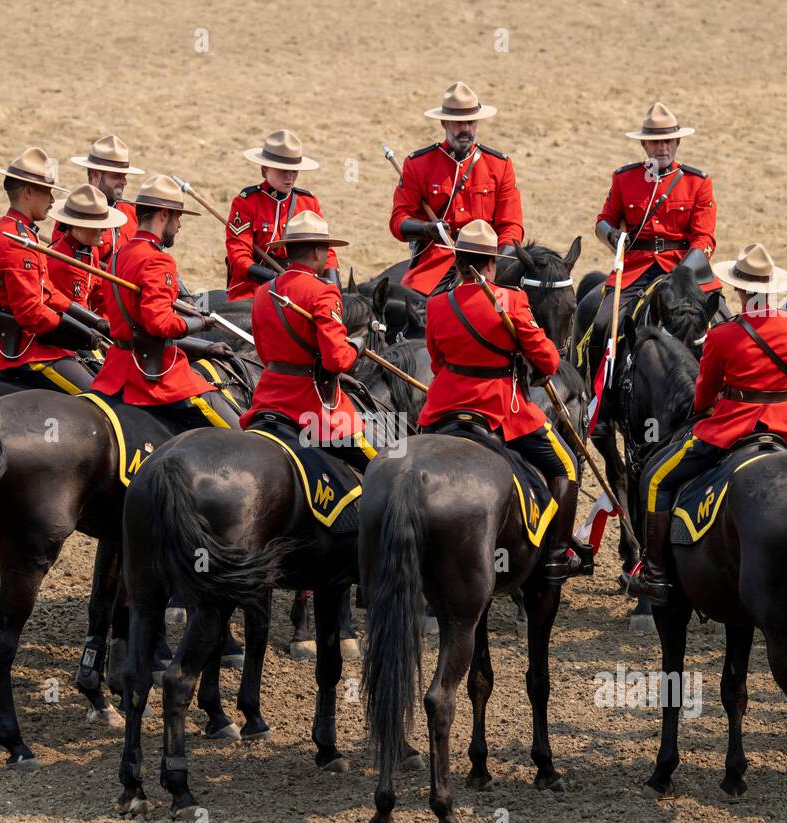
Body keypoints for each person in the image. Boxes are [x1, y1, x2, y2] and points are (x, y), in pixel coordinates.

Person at [624, 243, 787, 603]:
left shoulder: (722, 335)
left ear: (740, 290)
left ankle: (655, 572)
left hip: (731, 429)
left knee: (657, 478)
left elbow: (703, 398)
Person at [417, 220, 587, 581]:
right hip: (501, 410)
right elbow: (549, 360)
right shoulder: (511, 301)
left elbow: (437, 362)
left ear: (459, 261)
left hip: (442, 408)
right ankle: (556, 554)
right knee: (567, 465)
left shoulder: (437, 304)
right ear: (492, 264)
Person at [91, 174, 239, 429]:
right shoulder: (158, 260)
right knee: (238, 431)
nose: (179, 225)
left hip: (117, 367)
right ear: (163, 214)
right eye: (177, 216)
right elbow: (159, 323)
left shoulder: (118, 256)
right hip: (154, 374)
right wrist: (198, 323)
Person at [241, 210, 375, 471]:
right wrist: (356, 347)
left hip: (268, 398)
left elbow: (264, 353)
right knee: (379, 467)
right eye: (325, 249)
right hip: (312, 406)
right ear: (316, 252)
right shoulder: (323, 292)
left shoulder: (262, 292)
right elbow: (336, 361)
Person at [590, 102, 718, 373]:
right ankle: (601, 399)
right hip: (637, 270)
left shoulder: (698, 182)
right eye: (655, 142)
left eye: (668, 141)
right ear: (644, 146)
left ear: (678, 141)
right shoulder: (624, 179)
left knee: (723, 321)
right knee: (601, 324)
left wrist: (685, 270)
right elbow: (603, 221)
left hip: (684, 268)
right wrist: (613, 236)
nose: (662, 148)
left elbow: (704, 237)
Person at [0, 147, 106, 394]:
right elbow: (31, 312)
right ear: (29, 192)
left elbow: (48, 292)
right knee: (96, 397)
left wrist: (92, 322)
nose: (52, 201)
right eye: (48, 193)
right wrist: (77, 334)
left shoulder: (17, 230)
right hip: (24, 348)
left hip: (27, 338)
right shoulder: (15, 241)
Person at [390, 81, 522, 296]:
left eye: (470, 122)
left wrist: (501, 261)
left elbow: (511, 225)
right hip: (437, 264)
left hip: (487, 262)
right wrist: (426, 229)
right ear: (444, 123)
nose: (466, 129)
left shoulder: (500, 165)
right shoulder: (418, 164)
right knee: (414, 316)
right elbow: (398, 221)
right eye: (459, 123)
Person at [225, 130, 337, 301]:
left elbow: (325, 251)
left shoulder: (308, 202)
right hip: (253, 288)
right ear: (265, 168)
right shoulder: (246, 202)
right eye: (283, 171)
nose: (290, 177)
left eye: (294, 171)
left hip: (299, 286)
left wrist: (333, 285)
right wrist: (275, 280)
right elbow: (238, 258)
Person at [54, 134, 145, 269]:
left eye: (124, 176)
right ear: (96, 175)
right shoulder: (72, 214)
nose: (124, 182)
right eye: (117, 176)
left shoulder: (132, 213)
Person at [46, 184, 127, 316]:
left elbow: (100, 292)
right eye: (97, 226)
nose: (104, 230)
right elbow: (79, 313)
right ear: (78, 227)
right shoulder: (65, 262)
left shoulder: (90, 250)